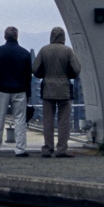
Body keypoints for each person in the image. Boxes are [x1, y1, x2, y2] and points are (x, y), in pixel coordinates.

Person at [32, 26, 81, 158]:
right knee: (64, 121)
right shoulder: (68, 51)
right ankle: (62, 149)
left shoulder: (44, 50)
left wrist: (45, 74)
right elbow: (76, 69)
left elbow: (35, 69)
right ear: (63, 37)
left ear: (51, 36)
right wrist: (67, 75)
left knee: (48, 120)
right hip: (64, 89)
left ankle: (47, 148)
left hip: (48, 89)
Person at [0, 26, 32, 157]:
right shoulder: (25, 53)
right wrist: (28, 93)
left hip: (1, 90)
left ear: (5, 37)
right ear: (17, 36)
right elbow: (28, 76)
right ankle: (20, 149)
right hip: (20, 90)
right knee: (20, 120)